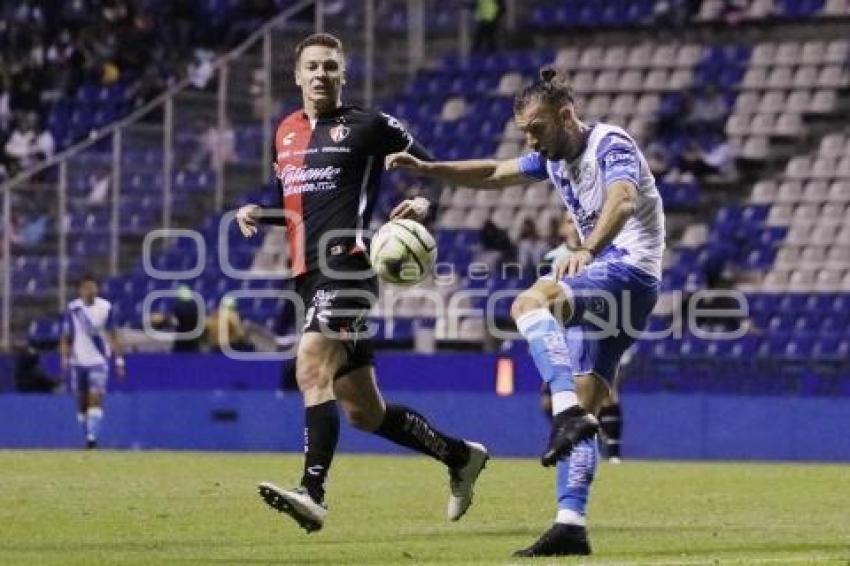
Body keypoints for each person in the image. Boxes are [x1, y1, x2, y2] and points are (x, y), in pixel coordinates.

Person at [387, 67, 664, 557]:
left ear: (565, 115)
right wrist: (429, 170)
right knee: (589, 400)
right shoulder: (552, 159)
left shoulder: (609, 144)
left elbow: (622, 200)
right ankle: (570, 524)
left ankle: (565, 414)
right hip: (625, 289)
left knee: (528, 302)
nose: (531, 140)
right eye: (525, 133)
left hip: (626, 270)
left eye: (537, 128)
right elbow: (493, 173)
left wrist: (590, 249)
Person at [234, 33, 488, 533]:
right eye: (313, 66)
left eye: (331, 66)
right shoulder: (284, 132)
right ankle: (460, 457)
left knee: (310, 366)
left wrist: (422, 204)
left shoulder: (370, 125)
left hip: (349, 266)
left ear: (343, 74)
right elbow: (299, 207)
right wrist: (259, 214)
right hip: (306, 275)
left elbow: (430, 167)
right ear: (298, 74)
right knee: (364, 412)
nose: (322, 74)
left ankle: (312, 493)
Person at [60, 274, 126, 449]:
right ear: (80, 290)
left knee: (95, 397)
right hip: (78, 361)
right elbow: (66, 337)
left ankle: (92, 438)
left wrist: (119, 360)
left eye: (93, 287)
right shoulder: (73, 309)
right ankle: (86, 430)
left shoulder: (105, 308)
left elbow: (113, 335)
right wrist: (65, 357)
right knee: (82, 402)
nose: (90, 291)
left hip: (98, 361)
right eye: (87, 287)